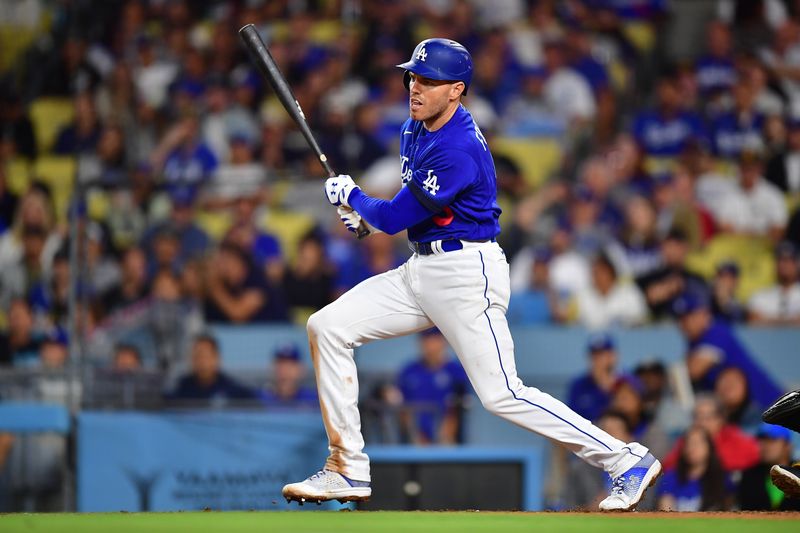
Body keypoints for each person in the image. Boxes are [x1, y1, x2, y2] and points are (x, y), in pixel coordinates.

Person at [282, 39, 662, 511]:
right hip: (421, 268)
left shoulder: (458, 145)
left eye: (429, 81)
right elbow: (411, 214)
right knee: (327, 326)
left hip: (466, 273)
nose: (415, 87)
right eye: (413, 77)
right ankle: (347, 468)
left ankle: (627, 459)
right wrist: (363, 217)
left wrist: (357, 200)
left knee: (502, 394)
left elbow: (395, 216)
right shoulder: (414, 127)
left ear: (456, 90)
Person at [671, 291, 783, 410]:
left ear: (705, 314)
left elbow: (693, 371)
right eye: (680, 318)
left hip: (769, 406)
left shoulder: (716, 332)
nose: (684, 323)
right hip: (746, 412)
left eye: (689, 316)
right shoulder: (694, 342)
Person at [396, 328, 469, 445]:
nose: (429, 344)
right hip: (415, 441)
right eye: (425, 339)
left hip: (447, 442)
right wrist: (414, 436)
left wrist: (446, 436)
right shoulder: (408, 371)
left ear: (443, 341)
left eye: (433, 339)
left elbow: (459, 408)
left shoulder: (456, 371)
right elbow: (403, 408)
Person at [662, 394, 759, 474]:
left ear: (720, 420)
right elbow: (667, 466)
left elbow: (755, 456)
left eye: (708, 418)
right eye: (698, 417)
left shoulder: (734, 438)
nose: (702, 423)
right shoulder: (687, 440)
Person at [657, 425, 731, 512]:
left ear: (709, 447)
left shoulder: (722, 478)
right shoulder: (671, 477)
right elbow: (666, 511)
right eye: (688, 443)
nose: (692, 448)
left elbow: (728, 509)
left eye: (697, 443)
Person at [167, 334, 255, 404]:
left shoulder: (231, 389)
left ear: (217, 359)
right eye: (196, 356)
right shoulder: (183, 387)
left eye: (205, 356)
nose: (201, 361)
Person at [738, 423, 800, 511]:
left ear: (788, 446)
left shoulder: (798, 472)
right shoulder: (749, 476)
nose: (764, 446)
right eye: (761, 440)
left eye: (772, 440)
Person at [567, 332, 619, 422]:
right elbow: (570, 419)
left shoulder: (626, 383)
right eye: (594, 354)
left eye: (602, 354)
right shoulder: (579, 385)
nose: (598, 359)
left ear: (613, 355)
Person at [748, 241, 800, 325]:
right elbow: (754, 320)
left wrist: (768, 320)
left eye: (789, 260)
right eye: (780, 260)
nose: (784, 265)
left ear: (797, 264)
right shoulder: (760, 296)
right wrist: (791, 321)